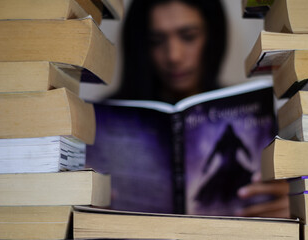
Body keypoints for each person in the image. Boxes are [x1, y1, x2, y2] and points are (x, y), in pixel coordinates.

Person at [113, 0, 289, 218]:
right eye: (156, 41)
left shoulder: (252, 110)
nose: (173, 56)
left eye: (189, 36)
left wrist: (295, 204)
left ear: (213, 37)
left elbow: (231, 155)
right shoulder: (109, 117)